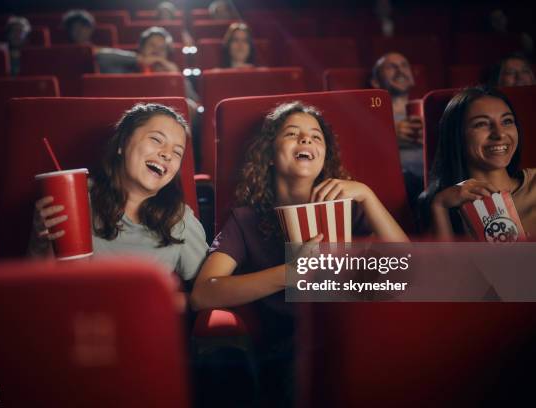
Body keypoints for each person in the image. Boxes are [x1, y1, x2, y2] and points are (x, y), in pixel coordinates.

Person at [190, 101, 408, 405]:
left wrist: (368, 196)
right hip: (293, 350)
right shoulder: (245, 220)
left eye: (316, 137)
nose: (306, 139)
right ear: (268, 156)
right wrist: (291, 273)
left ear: (324, 158)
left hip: (362, 338)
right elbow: (203, 293)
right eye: (292, 134)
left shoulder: (351, 209)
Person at [29, 103, 208, 293]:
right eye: (156, 139)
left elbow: (206, 294)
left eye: (177, 152)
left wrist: (174, 303)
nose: (167, 154)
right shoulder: (75, 200)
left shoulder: (179, 220)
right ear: (122, 143)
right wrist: (40, 243)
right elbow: (37, 291)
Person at [420, 86, 535, 239]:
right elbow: (443, 263)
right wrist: (440, 206)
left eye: (507, 121)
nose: (500, 134)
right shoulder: (442, 202)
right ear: (457, 136)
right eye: (481, 124)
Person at [371, 51, 424, 205]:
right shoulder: (369, 117)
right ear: (375, 81)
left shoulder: (430, 108)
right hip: (400, 183)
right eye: (391, 67)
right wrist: (389, 137)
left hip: (435, 177)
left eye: (404, 66)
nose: (400, 71)